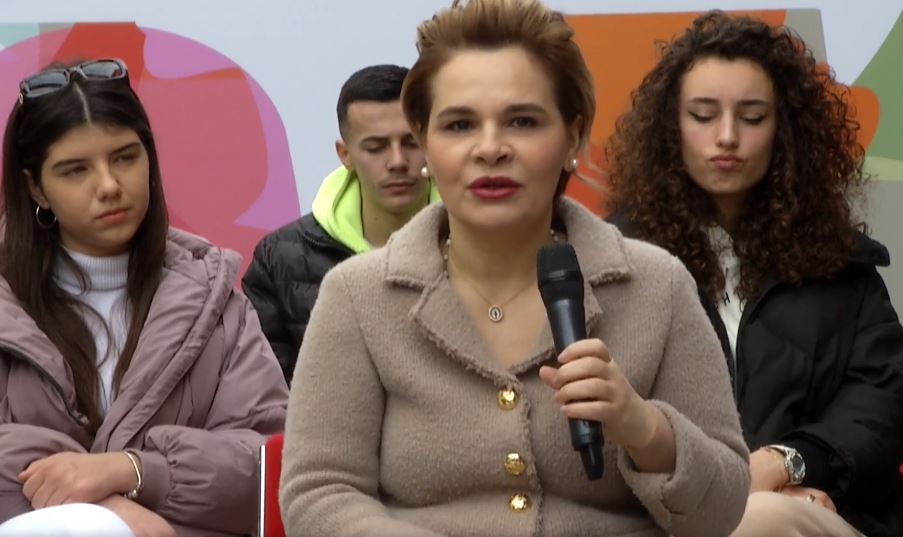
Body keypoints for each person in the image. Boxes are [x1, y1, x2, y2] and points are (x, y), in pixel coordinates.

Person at [278, 1, 750, 536]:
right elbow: (319, 493)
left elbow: (723, 510)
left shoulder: (656, 285)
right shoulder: (357, 295)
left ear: (572, 137)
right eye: (459, 124)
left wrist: (646, 429)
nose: (490, 148)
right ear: (425, 141)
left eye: (522, 121)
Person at [606, 11, 903, 537]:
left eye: (752, 116)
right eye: (703, 115)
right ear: (671, 129)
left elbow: (883, 405)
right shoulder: (618, 261)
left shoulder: (841, 264)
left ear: (784, 130)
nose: (727, 137)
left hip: (823, 511)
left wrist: (790, 464)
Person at [0, 59, 288, 537]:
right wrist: (107, 508)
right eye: (75, 170)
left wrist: (136, 471)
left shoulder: (216, 303)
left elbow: (269, 464)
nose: (109, 186)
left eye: (125, 158)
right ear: (37, 189)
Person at [242, 64, 439, 382]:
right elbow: (269, 393)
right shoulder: (278, 259)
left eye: (412, 143)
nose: (398, 162)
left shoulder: (482, 241)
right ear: (345, 154)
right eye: (376, 147)